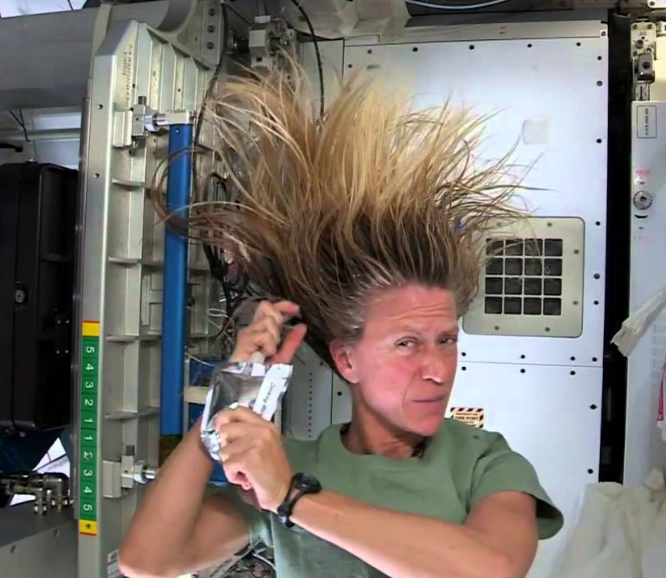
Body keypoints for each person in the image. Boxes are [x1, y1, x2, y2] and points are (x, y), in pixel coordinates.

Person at [119, 67, 563, 578]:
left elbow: (490, 571)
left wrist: (291, 498)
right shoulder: (290, 458)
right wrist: (227, 404)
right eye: (406, 344)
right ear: (346, 359)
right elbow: (146, 563)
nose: (438, 369)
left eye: (445, 340)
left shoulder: (486, 463)